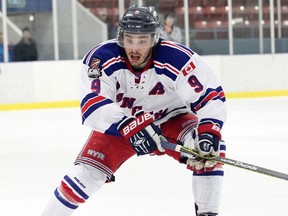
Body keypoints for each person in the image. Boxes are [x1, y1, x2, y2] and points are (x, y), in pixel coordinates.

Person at [41, 5, 227, 216]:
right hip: (121, 125)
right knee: (85, 175)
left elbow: (210, 96)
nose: (134, 48)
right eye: (129, 39)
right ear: (121, 37)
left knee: (209, 151)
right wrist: (128, 125)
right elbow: (92, 105)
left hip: (172, 119)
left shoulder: (178, 59)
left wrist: (209, 131)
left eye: (142, 41)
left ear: (155, 39)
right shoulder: (100, 59)